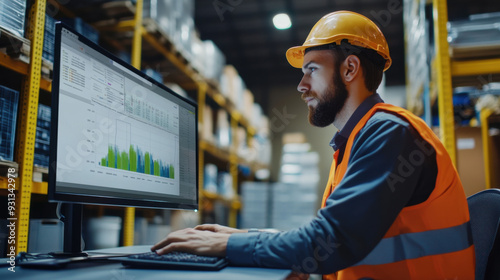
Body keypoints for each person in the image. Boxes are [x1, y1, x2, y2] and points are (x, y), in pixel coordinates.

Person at [152, 11, 475, 279]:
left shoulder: (390, 133)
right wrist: (251, 238)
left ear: (350, 69)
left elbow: (331, 242)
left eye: (312, 70)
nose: (301, 86)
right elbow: (334, 232)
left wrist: (228, 247)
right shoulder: (357, 139)